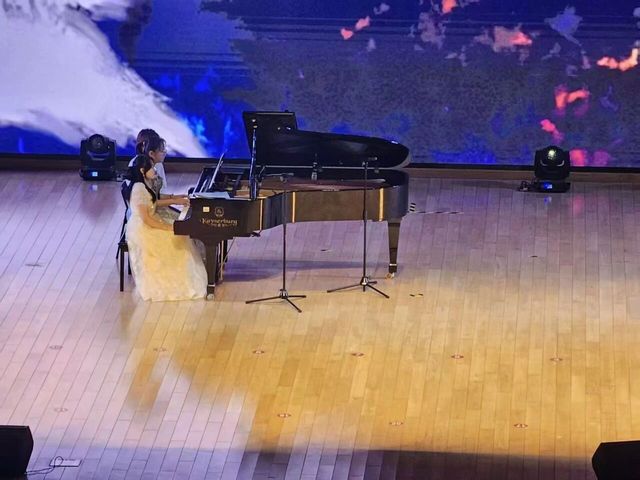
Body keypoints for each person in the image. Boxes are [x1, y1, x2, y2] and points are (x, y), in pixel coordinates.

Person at [126, 155, 207, 301]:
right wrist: (168, 227)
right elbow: (146, 219)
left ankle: (186, 277)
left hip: (152, 220)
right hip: (143, 228)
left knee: (180, 233)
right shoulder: (138, 189)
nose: (155, 170)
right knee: (176, 237)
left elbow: (154, 201)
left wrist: (175, 198)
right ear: (142, 170)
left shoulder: (144, 183)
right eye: (151, 167)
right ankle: (182, 280)